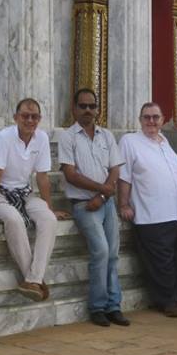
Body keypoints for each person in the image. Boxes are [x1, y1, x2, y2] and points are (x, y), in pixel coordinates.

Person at [0, 99, 69, 301]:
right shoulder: (4, 137)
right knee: (14, 220)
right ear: (16, 117)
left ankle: (32, 280)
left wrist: (50, 208)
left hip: (24, 193)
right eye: (25, 116)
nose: (30, 120)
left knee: (49, 219)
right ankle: (35, 280)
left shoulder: (41, 138)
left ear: (39, 119)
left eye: (35, 117)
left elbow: (42, 177)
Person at [118, 102, 177, 317]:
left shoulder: (165, 142)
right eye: (146, 117)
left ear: (163, 120)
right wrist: (124, 203)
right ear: (140, 120)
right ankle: (168, 301)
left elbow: (174, 174)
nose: (151, 121)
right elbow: (124, 175)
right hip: (153, 212)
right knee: (161, 261)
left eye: (155, 117)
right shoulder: (130, 141)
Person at [59, 89, 129, 327]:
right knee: (100, 251)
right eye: (83, 106)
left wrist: (102, 194)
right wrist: (102, 190)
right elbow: (70, 174)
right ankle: (98, 307)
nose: (88, 110)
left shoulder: (106, 135)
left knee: (113, 254)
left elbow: (115, 169)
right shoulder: (67, 137)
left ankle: (114, 306)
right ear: (74, 109)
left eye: (92, 106)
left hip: (105, 203)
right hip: (84, 204)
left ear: (97, 109)